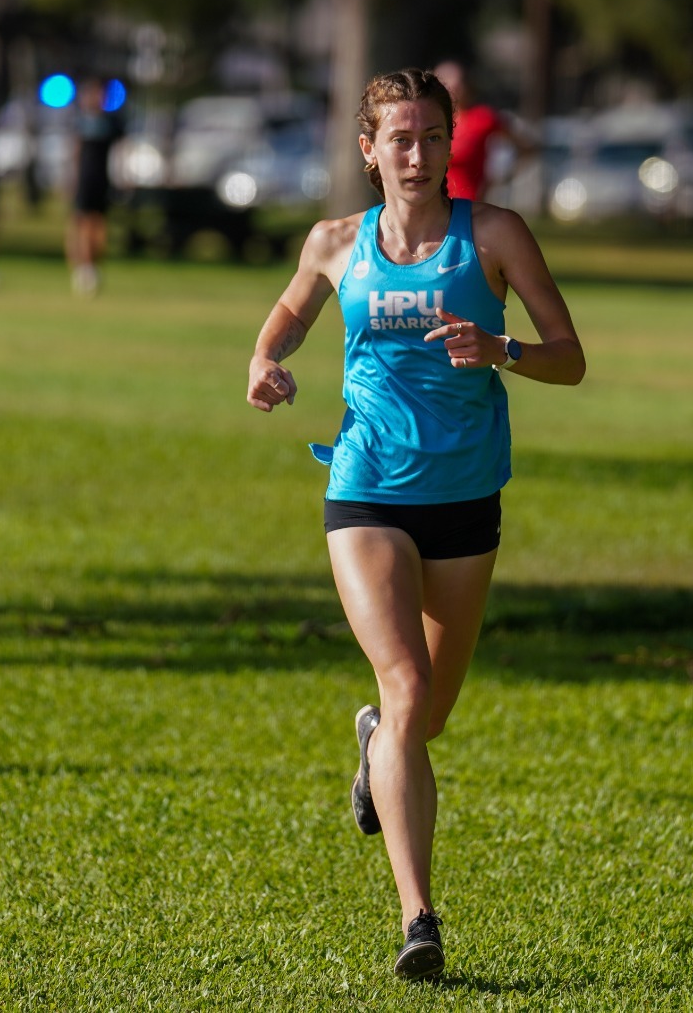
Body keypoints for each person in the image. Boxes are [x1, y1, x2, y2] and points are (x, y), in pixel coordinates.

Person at [245, 68, 585, 981]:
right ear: (369, 149)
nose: (418, 153)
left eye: (433, 136)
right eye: (400, 137)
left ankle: (373, 750)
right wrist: (265, 360)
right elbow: (287, 313)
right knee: (403, 686)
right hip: (367, 488)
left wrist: (503, 349)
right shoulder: (334, 242)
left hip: (466, 498)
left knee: (424, 716)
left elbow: (572, 359)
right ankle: (419, 918)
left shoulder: (498, 235)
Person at [66, 78, 124, 296]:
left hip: (102, 181)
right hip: (83, 180)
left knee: (97, 225)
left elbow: (120, 153)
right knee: (79, 223)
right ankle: (80, 266)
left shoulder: (112, 122)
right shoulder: (79, 120)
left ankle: (93, 266)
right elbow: (74, 151)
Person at [431, 60, 513, 203]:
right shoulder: (431, 122)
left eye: (456, 85)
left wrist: (501, 176)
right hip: (434, 205)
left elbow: (525, 147)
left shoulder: (483, 118)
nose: (453, 90)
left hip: (469, 205)